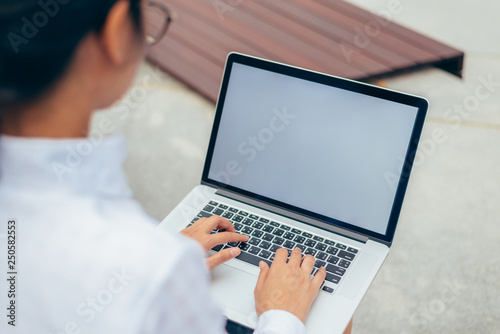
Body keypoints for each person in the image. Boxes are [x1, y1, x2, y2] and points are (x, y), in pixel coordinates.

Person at [0, 1, 352, 333]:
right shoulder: (151, 267)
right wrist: (281, 315)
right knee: (338, 321)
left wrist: (159, 266)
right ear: (117, 31)